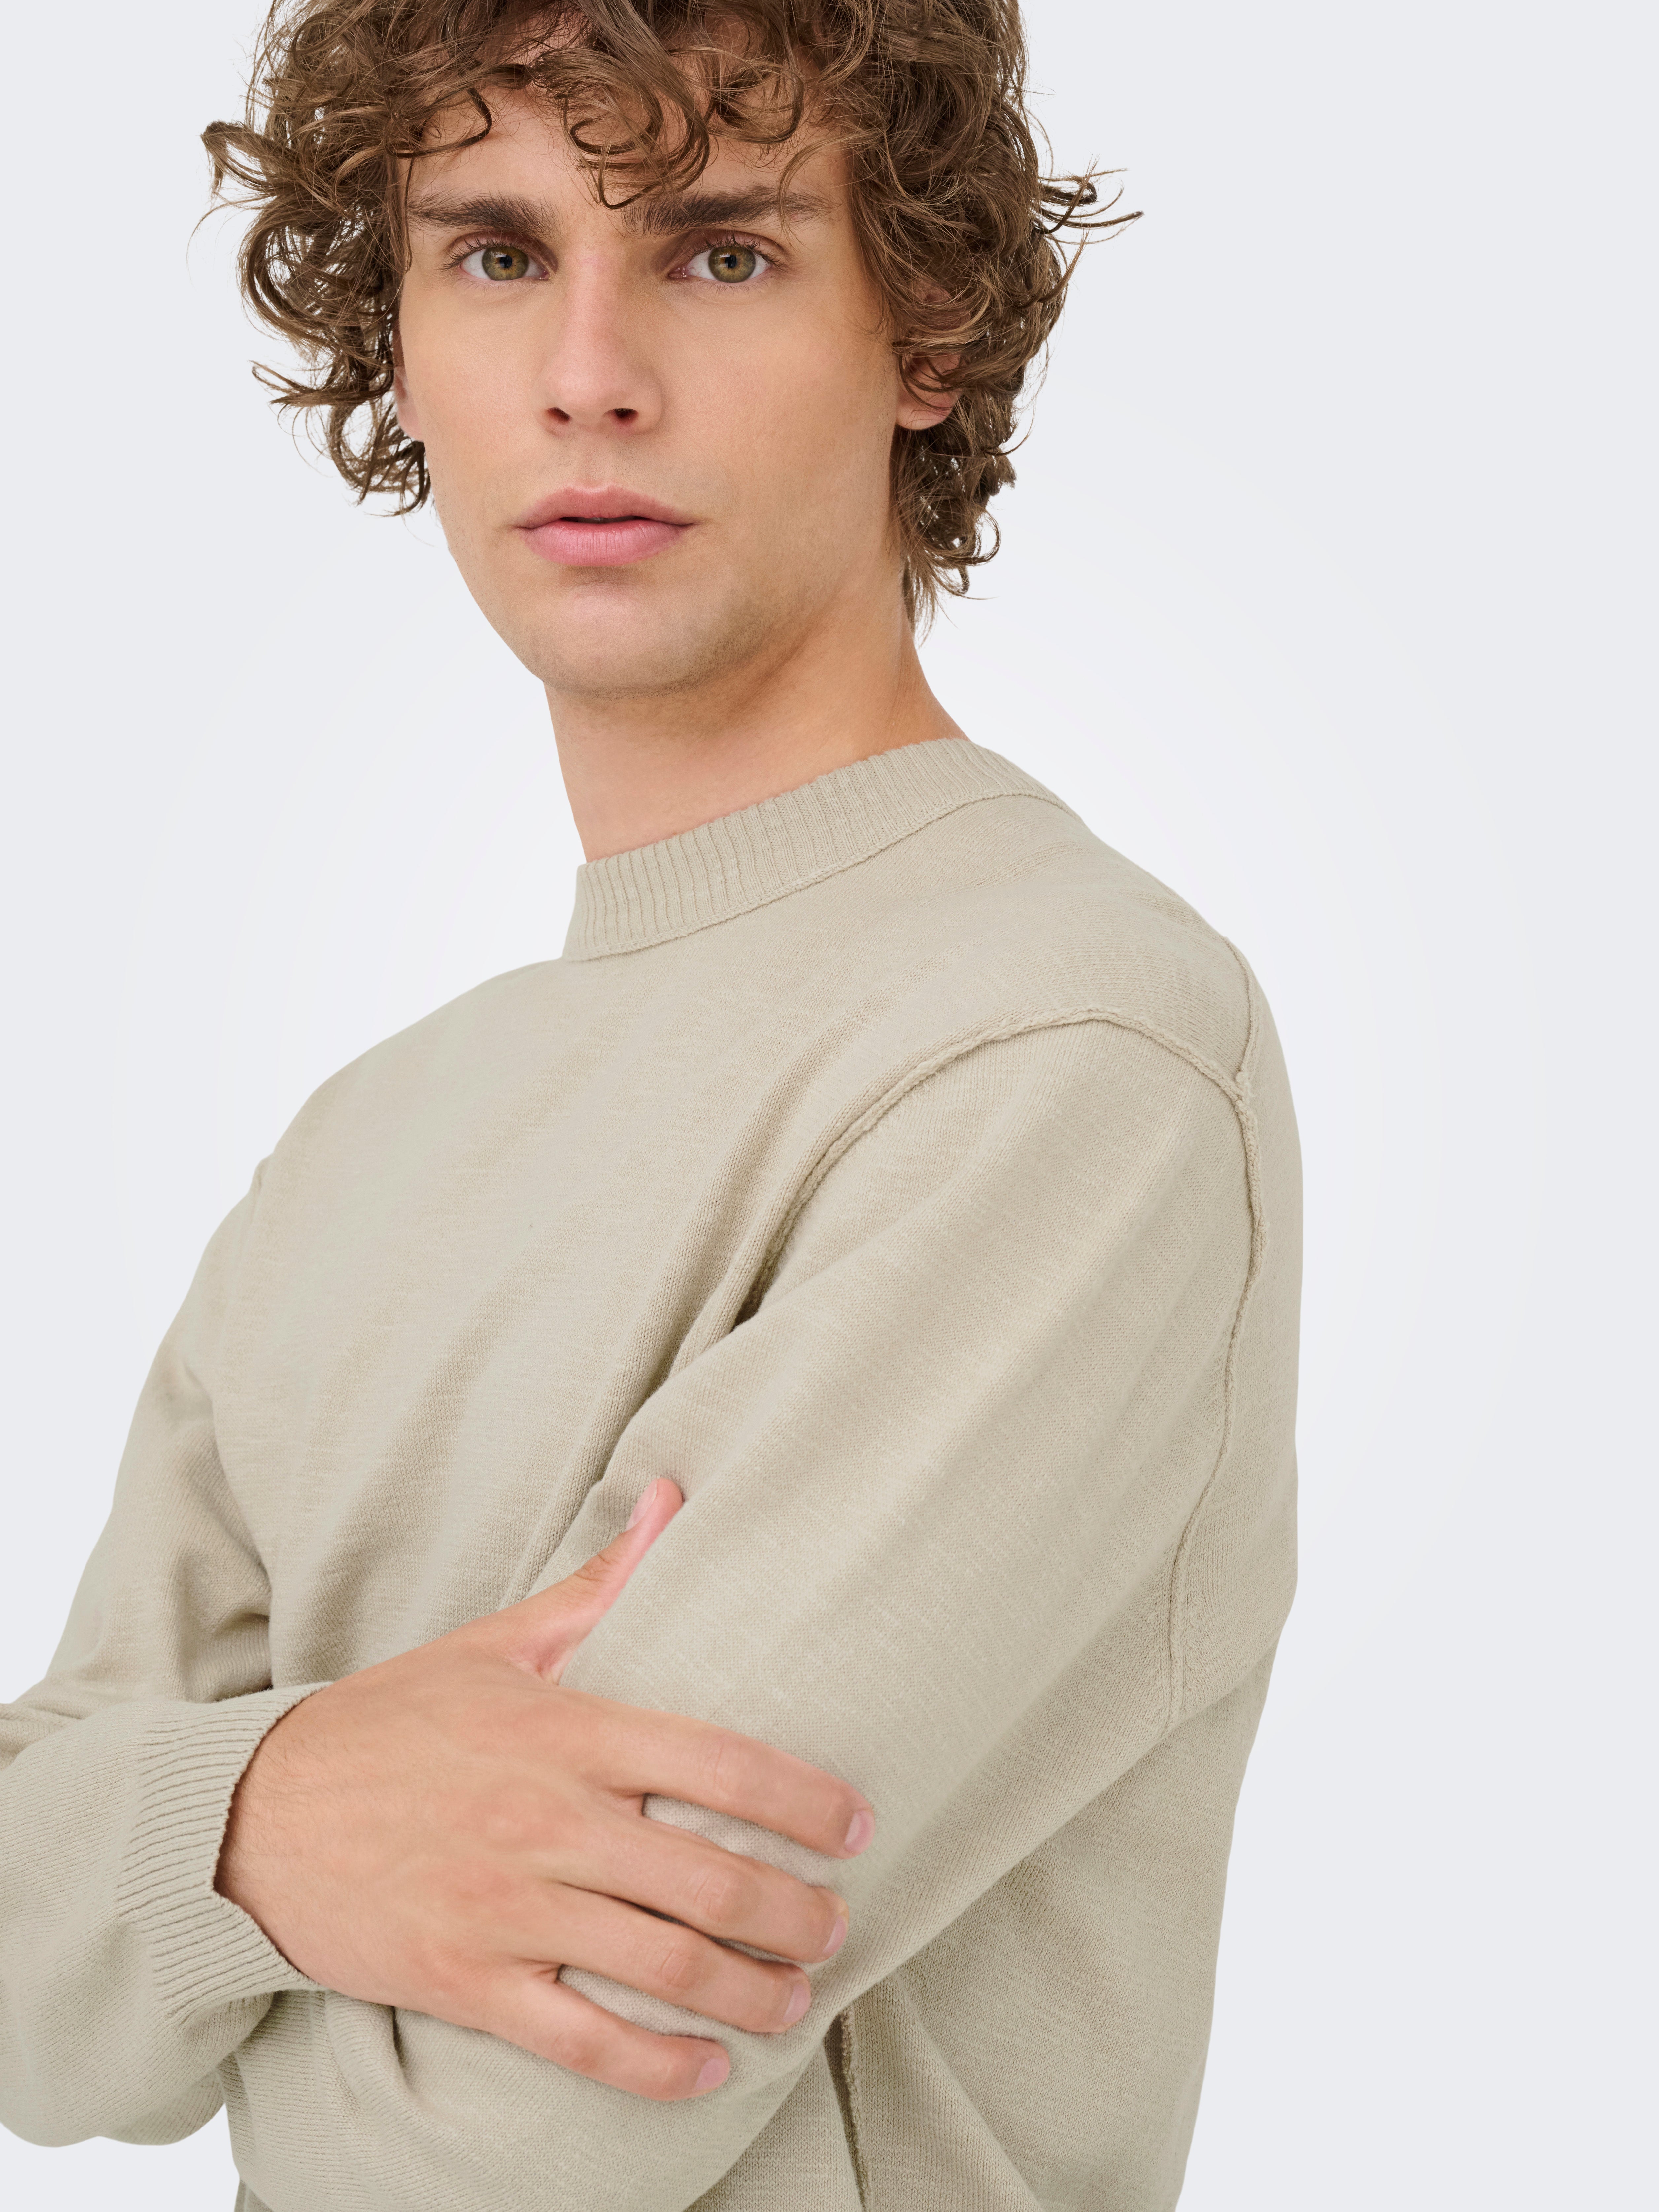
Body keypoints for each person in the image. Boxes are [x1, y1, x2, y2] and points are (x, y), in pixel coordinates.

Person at [0, 3, 1301, 2207]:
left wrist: (181, 1893)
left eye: (720, 251)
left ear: (928, 330)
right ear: (399, 337)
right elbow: (32, 2013)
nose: (587, 374)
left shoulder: (1061, 1054)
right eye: (497, 254)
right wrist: (269, 1815)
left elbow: (530, 2127)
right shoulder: (365, 1137)